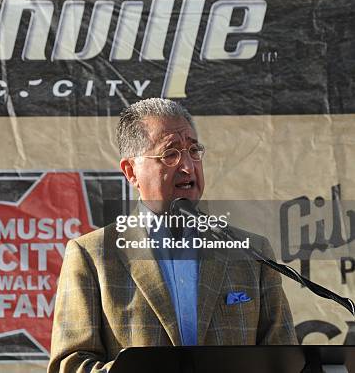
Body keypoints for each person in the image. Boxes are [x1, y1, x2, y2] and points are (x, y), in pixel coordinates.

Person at [48, 98, 297, 373]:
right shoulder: (92, 256)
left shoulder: (252, 252)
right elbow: (70, 366)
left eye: (193, 150)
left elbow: (284, 359)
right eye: (170, 154)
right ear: (131, 171)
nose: (188, 166)